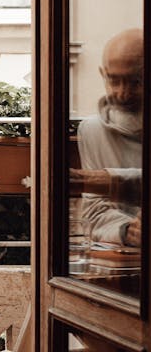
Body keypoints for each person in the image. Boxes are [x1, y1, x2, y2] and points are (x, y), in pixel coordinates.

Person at [74, 28, 143, 247]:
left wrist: (107, 180)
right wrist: (128, 230)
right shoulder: (92, 131)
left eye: (135, 82)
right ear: (103, 75)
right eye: (114, 81)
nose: (123, 93)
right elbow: (95, 212)